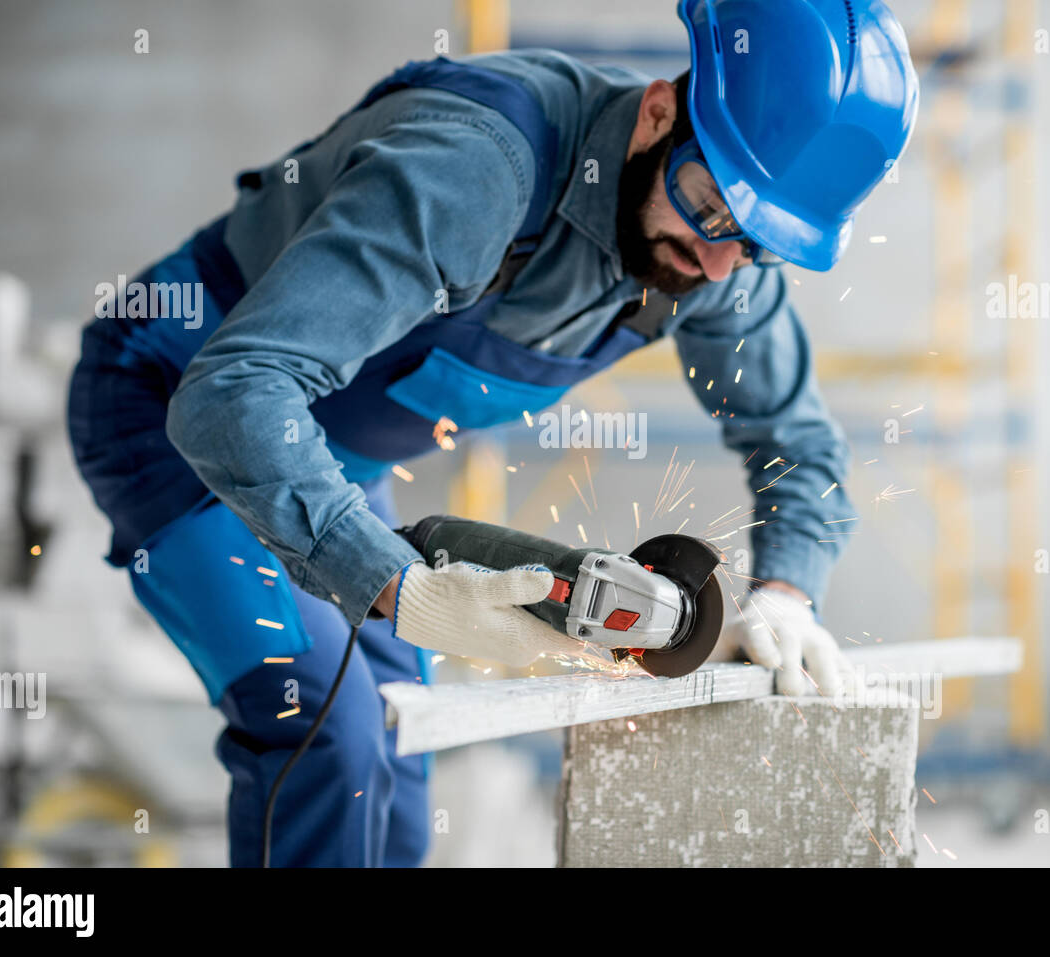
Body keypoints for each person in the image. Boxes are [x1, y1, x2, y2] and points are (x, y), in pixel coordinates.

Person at [66, 0, 919, 867]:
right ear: (660, 110)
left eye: (758, 243)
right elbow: (236, 393)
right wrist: (403, 588)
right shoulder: (480, 167)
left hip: (331, 453)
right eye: (712, 210)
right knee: (327, 734)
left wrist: (787, 595)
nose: (716, 266)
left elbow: (801, 448)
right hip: (177, 397)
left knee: (405, 736)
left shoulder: (723, 254)